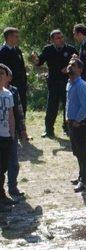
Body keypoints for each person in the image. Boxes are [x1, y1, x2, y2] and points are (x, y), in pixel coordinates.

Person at [30, 29, 77, 138]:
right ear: (52, 40)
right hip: (53, 82)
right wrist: (35, 59)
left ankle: (67, 129)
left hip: (68, 82)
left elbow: (78, 62)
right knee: (52, 106)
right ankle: (48, 130)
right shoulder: (48, 49)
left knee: (68, 106)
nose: (61, 40)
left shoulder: (70, 49)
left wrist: (69, 67)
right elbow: (39, 62)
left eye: (62, 37)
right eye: (58, 38)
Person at [65, 58, 86, 192]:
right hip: (72, 123)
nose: (70, 67)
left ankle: (84, 181)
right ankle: (81, 175)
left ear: (80, 69)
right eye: (69, 64)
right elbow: (69, 103)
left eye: (73, 65)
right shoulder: (69, 83)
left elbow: (85, 106)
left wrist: (77, 121)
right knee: (77, 152)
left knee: (82, 153)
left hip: (79, 124)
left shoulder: (81, 85)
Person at [4, 66, 28, 198]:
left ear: (9, 77)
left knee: (13, 163)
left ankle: (12, 187)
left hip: (11, 132)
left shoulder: (13, 91)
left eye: (3, 74)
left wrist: (23, 130)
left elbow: (18, 112)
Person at [0, 28, 27, 116]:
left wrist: (25, 82)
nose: (18, 39)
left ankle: (21, 129)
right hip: (8, 86)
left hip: (21, 86)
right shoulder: (2, 52)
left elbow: (22, 68)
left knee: (22, 109)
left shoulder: (18, 51)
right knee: (11, 111)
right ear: (9, 37)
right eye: (16, 36)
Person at [0, 63, 16, 207]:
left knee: (3, 167)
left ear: (6, 77)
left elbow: (11, 115)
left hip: (5, 135)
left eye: (2, 74)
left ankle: (2, 194)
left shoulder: (8, 93)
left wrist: (12, 133)